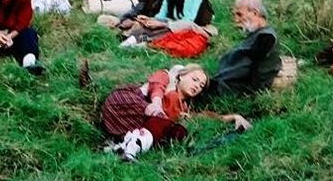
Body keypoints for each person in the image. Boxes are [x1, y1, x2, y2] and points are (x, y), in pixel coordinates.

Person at [99, 65, 250, 162]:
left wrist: (233, 117)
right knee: (163, 121)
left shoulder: (184, 108)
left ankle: (123, 147)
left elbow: (203, 116)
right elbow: (157, 85)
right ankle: (128, 146)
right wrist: (156, 103)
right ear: (181, 75)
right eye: (194, 79)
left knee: (175, 130)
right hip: (125, 104)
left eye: (201, 85)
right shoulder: (168, 78)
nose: (197, 85)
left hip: (132, 126)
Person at [207, 0, 282, 96]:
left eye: (239, 14)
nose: (236, 20)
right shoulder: (260, 34)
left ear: (255, 13)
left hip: (237, 88)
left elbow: (248, 69)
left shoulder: (266, 37)